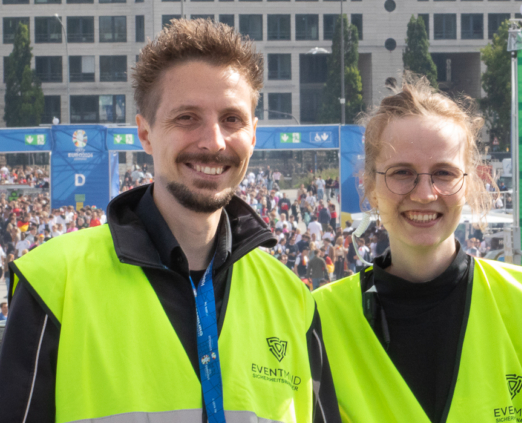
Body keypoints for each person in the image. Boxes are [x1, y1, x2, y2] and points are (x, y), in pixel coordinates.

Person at [0, 19, 338, 422]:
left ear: (253, 134)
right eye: (186, 118)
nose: (213, 142)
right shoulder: (55, 282)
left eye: (232, 119)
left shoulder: (292, 299)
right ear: (145, 133)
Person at [311, 73, 522, 421]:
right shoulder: (319, 320)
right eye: (402, 172)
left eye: (444, 173)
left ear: (469, 183)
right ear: (369, 186)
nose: (425, 193)